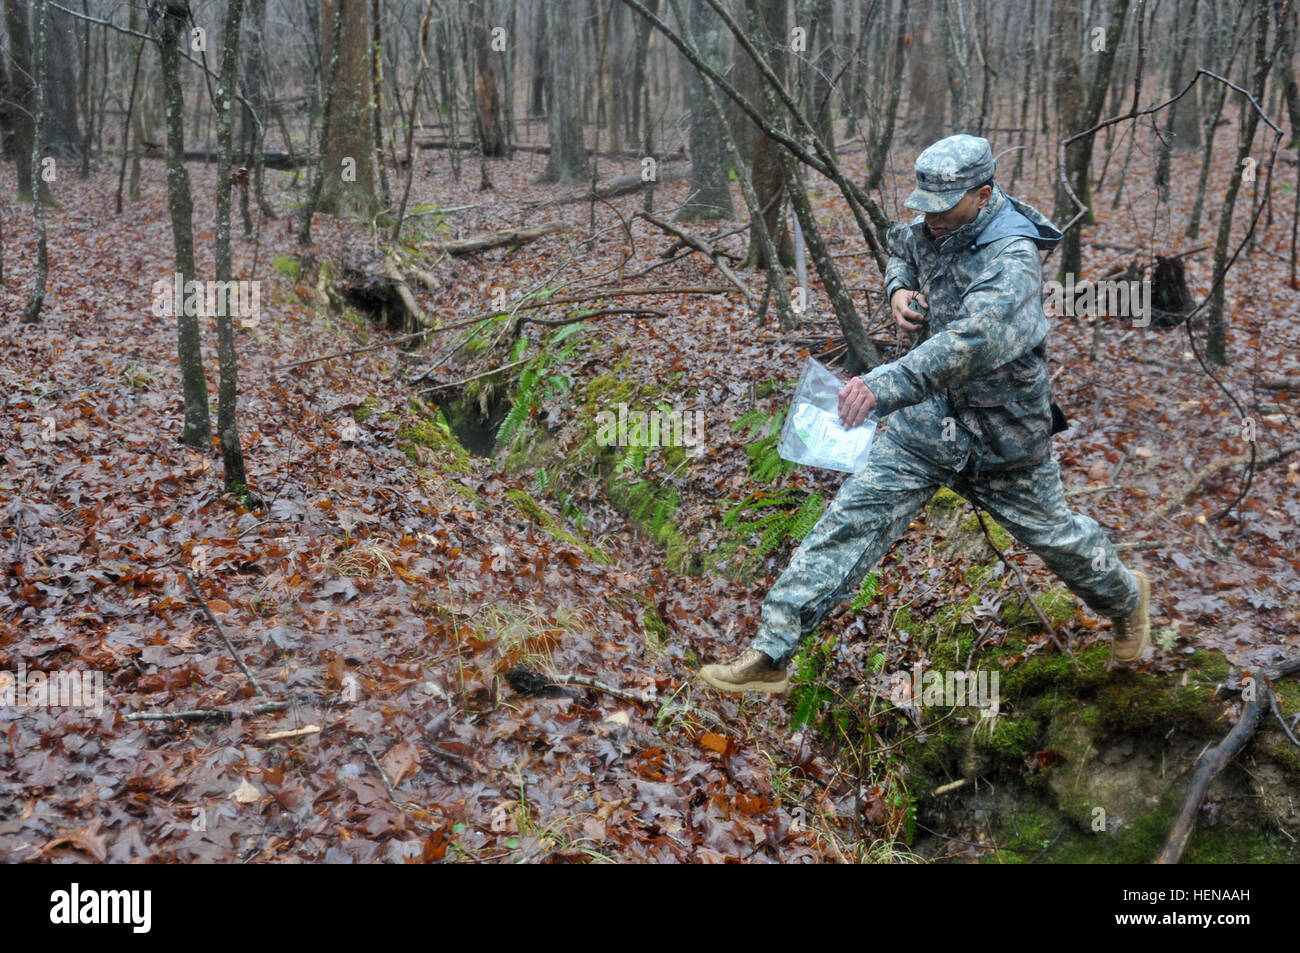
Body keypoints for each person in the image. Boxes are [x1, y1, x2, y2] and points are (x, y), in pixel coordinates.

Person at [700, 134, 1150, 694]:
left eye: (944, 207)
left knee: (1059, 542)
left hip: (1002, 438)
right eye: (924, 206)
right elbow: (900, 247)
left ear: (983, 195)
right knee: (850, 521)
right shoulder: (931, 227)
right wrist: (899, 287)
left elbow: (972, 341)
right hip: (926, 429)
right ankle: (772, 651)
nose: (929, 218)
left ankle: (1127, 601)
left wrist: (884, 385)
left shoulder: (1013, 259)